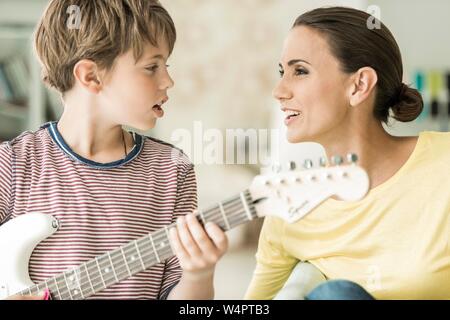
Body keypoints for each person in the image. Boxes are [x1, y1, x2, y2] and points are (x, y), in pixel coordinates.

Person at [0, 0, 228, 300]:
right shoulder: (14, 164)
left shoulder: (172, 171)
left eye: (166, 65)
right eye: (151, 67)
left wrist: (199, 273)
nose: (168, 80)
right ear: (91, 77)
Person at [245, 6, 450, 300]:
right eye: (282, 72)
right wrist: (199, 271)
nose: (279, 90)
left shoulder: (444, 164)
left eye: (300, 70)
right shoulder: (288, 207)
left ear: (359, 85)